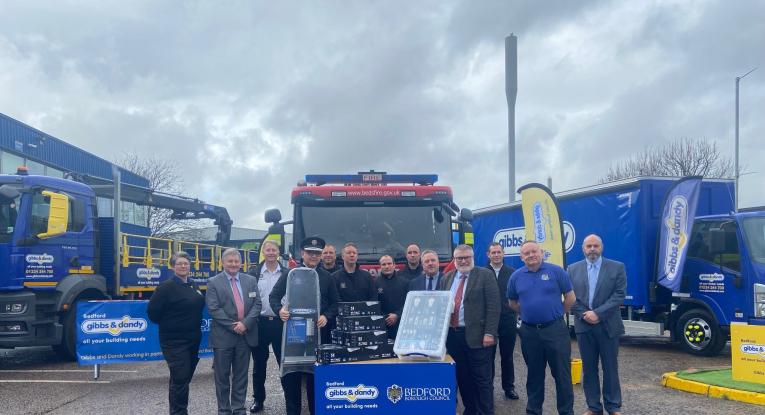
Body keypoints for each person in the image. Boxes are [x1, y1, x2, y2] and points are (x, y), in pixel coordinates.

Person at [270, 236, 339, 415]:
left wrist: (326, 316)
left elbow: (335, 303)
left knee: (315, 380)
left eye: (317, 253)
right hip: (293, 335)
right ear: (302, 254)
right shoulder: (290, 274)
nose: (314, 256)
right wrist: (279, 311)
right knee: (291, 380)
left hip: (316, 335)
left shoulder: (327, 277)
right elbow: (273, 297)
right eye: (310, 253)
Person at [508, 240, 576, 415]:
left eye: (534, 251)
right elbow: (513, 303)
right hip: (529, 333)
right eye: (527, 253)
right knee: (534, 376)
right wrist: (530, 313)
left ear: (541, 253)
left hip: (555, 331)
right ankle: (533, 411)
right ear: (521, 257)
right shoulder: (516, 277)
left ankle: (566, 412)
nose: (531, 255)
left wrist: (557, 313)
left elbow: (570, 298)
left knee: (562, 376)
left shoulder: (557, 272)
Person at [439, 244, 500, 415]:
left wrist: (489, 333)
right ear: (455, 259)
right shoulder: (447, 278)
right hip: (453, 336)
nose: (463, 261)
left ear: (473, 258)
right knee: (463, 377)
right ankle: (471, 410)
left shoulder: (485, 275)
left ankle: (486, 411)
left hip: (479, 337)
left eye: (467, 257)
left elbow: (494, 307)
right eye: (459, 258)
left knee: (482, 379)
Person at [569, 234, 626, 415]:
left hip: (608, 325)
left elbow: (619, 295)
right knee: (589, 368)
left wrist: (598, 314)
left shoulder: (617, 267)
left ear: (601, 247)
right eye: (589, 246)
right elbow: (570, 297)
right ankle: (593, 407)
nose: (592, 249)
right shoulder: (572, 269)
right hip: (584, 325)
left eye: (595, 246)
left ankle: (613, 406)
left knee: (610, 368)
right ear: (583, 249)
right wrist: (585, 315)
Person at [147, 251, 205, 415]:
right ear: (172, 266)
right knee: (180, 378)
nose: (183, 266)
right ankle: (179, 412)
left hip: (193, 340)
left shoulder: (193, 285)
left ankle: (178, 410)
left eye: (186, 263)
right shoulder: (166, 287)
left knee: (183, 378)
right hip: (174, 342)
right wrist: (173, 324)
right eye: (179, 263)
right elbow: (153, 313)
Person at [206, 248, 262, 415]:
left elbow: (257, 304)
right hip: (223, 337)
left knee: (241, 376)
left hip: (245, 336)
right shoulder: (213, 282)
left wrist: (245, 324)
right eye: (230, 261)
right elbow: (214, 309)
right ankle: (224, 410)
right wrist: (233, 326)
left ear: (241, 263)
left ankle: (238, 409)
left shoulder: (250, 280)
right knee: (222, 378)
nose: (233, 264)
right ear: (223, 263)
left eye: (236, 261)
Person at [248, 240, 288, 413]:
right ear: (263, 252)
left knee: (285, 364)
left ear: (279, 252)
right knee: (259, 365)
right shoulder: (254, 273)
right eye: (268, 250)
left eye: (274, 250)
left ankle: (290, 398)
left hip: (282, 323)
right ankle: (258, 400)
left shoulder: (287, 273)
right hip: (261, 323)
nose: (271, 252)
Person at [486, 242, 519, 400]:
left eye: (499, 252)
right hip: (488, 321)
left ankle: (509, 388)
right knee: (488, 356)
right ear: (488, 255)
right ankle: (488, 387)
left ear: (503, 254)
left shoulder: (512, 273)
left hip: (507, 319)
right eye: (493, 252)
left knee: (507, 356)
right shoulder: (482, 272)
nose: (496, 255)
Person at [375, 254, 408, 339]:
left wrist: (397, 315)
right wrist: (385, 317)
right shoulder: (374, 283)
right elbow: (374, 303)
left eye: (389, 264)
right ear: (380, 267)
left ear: (394, 265)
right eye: (384, 264)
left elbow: (408, 303)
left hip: (401, 325)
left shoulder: (404, 282)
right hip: (382, 325)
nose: (387, 266)